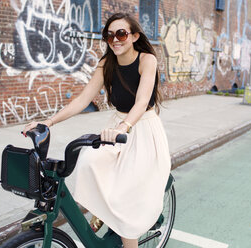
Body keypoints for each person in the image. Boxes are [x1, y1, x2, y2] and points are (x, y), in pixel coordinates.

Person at [22, 13, 171, 248]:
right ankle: (103, 213)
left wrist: (124, 126)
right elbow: (82, 100)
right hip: (119, 126)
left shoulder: (146, 60)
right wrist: (48, 122)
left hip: (141, 128)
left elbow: (142, 102)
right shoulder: (106, 63)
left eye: (121, 34)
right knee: (89, 162)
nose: (115, 40)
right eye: (109, 35)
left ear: (134, 36)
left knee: (127, 198)